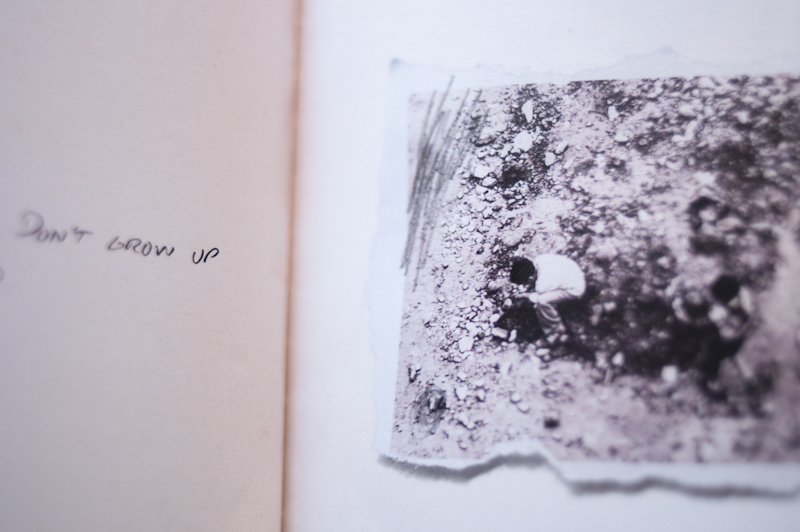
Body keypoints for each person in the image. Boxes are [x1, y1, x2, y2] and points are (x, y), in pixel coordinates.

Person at [518, 254, 586, 344]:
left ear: (530, 278)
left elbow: (537, 297)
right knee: (543, 294)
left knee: (542, 301)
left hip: (575, 289)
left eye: (525, 282)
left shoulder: (542, 284)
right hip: (574, 273)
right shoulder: (540, 259)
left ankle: (556, 331)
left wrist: (525, 295)